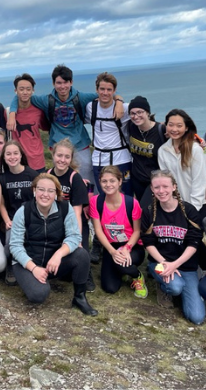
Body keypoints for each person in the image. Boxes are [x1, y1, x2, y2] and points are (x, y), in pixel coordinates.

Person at [8, 65, 124, 184]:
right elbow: (20, 97)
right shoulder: (47, 100)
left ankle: (89, 201)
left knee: (88, 180)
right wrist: (12, 113)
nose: (62, 86)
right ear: (53, 84)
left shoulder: (81, 98)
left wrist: (119, 102)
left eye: (65, 82)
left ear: (71, 82)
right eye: (59, 83)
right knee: (62, 183)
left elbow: (107, 94)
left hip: (80, 146)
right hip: (58, 147)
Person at [9, 173, 98, 316]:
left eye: (50, 190)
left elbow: (74, 236)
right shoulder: (23, 211)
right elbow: (15, 246)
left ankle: (79, 297)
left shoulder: (65, 208)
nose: (45, 194)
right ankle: (34, 279)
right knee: (38, 295)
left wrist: (58, 254)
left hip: (53, 261)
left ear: (56, 193)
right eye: (41, 189)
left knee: (82, 255)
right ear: (34, 191)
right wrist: (34, 268)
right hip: (28, 262)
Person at [141, 170, 204, 325]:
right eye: (157, 187)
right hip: (160, 263)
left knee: (196, 317)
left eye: (165, 186)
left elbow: (194, 243)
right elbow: (148, 242)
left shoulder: (189, 212)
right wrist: (164, 263)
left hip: (186, 266)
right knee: (175, 286)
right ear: (152, 189)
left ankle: (186, 289)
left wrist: (175, 265)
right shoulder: (150, 211)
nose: (161, 191)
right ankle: (165, 288)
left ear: (174, 187)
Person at [89, 166, 147, 298]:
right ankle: (120, 269)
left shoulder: (131, 203)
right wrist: (112, 251)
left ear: (120, 181)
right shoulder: (96, 201)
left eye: (112, 181)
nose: (108, 185)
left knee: (123, 264)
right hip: (112, 246)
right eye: (104, 181)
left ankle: (137, 276)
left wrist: (126, 248)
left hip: (132, 245)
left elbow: (137, 231)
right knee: (110, 288)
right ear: (99, 182)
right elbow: (98, 230)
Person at [47, 138, 95, 292]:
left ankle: (87, 276)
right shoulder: (47, 176)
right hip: (56, 222)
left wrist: (78, 238)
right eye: (59, 155)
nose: (62, 160)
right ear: (53, 155)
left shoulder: (75, 179)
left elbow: (77, 211)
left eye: (67, 157)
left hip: (74, 222)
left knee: (81, 252)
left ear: (71, 158)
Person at [85, 73, 132, 196]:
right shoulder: (91, 108)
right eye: (102, 89)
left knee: (125, 195)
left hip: (122, 159)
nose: (105, 93)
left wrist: (119, 101)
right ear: (97, 90)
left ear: (114, 91)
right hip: (99, 160)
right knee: (104, 195)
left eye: (109, 89)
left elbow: (143, 117)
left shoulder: (125, 108)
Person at [0, 140, 37, 285]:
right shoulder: (2, 178)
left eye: (15, 153)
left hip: (31, 218)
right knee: (10, 243)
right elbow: (1, 203)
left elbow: (39, 200)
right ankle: (11, 266)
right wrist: (7, 219)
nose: (12, 157)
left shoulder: (32, 175)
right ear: (4, 157)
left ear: (21, 155)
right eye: (8, 154)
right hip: (13, 219)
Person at [158, 109, 206, 218]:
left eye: (179, 126)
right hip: (177, 207)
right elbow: (167, 183)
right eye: (171, 125)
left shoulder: (195, 149)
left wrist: (192, 209)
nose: (174, 129)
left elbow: (199, 182)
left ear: (186, 128)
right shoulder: (163, 150)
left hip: (199, 206)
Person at [127, 96, 166, 203]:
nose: (136, 116)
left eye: (140, 112)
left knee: (150, 208)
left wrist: (198, 142)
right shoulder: (131, 126)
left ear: (148, 113)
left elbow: (180, 137)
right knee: (143, 211)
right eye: (132, 113)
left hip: (155, 180)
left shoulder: (161, 130)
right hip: (137, 180)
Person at [11, 73, 50, 173]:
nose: (25, 92)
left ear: (33, 90)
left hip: (37, 160)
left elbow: (47, 127)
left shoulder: (38, 111)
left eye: (28, 89)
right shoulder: (8, 113)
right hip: (17, 161)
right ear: (16, 91)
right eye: (21, 89)